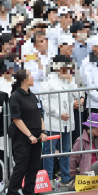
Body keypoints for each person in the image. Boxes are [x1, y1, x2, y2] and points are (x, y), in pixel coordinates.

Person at [6, 69, 47, 195]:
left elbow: (40, 115)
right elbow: (16, 119)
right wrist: (29, 135)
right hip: (22, 138)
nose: (33, 77)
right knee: (21, 167)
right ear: (24, 79)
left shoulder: (33, 96)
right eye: (30, 76)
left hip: (36, 137)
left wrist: (43, 131)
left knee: (33, 167)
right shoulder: (16, 96)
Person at [40, 54, 78, 184]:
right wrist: (58, 114)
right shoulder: (48, 81)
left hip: (67, 122)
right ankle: (48, 178)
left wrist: (71, 81)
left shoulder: (69, 80)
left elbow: (78, 94)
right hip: (53, 123)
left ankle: (65, 177)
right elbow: (45, 102)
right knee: (49, 151)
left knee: (65, 150)